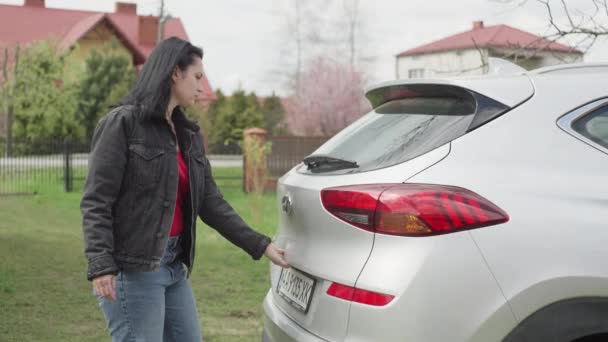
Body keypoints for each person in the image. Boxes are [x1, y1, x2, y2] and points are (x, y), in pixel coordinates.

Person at [80, 36, 289, 342]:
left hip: (174, 265)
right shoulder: (122, 124)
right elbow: (96, 201)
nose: (202, 87)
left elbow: (211, 202)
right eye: (198, 77)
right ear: (175, 72)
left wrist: (262, 245)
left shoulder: (188, 135)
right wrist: (101, 266)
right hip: (135, 269)